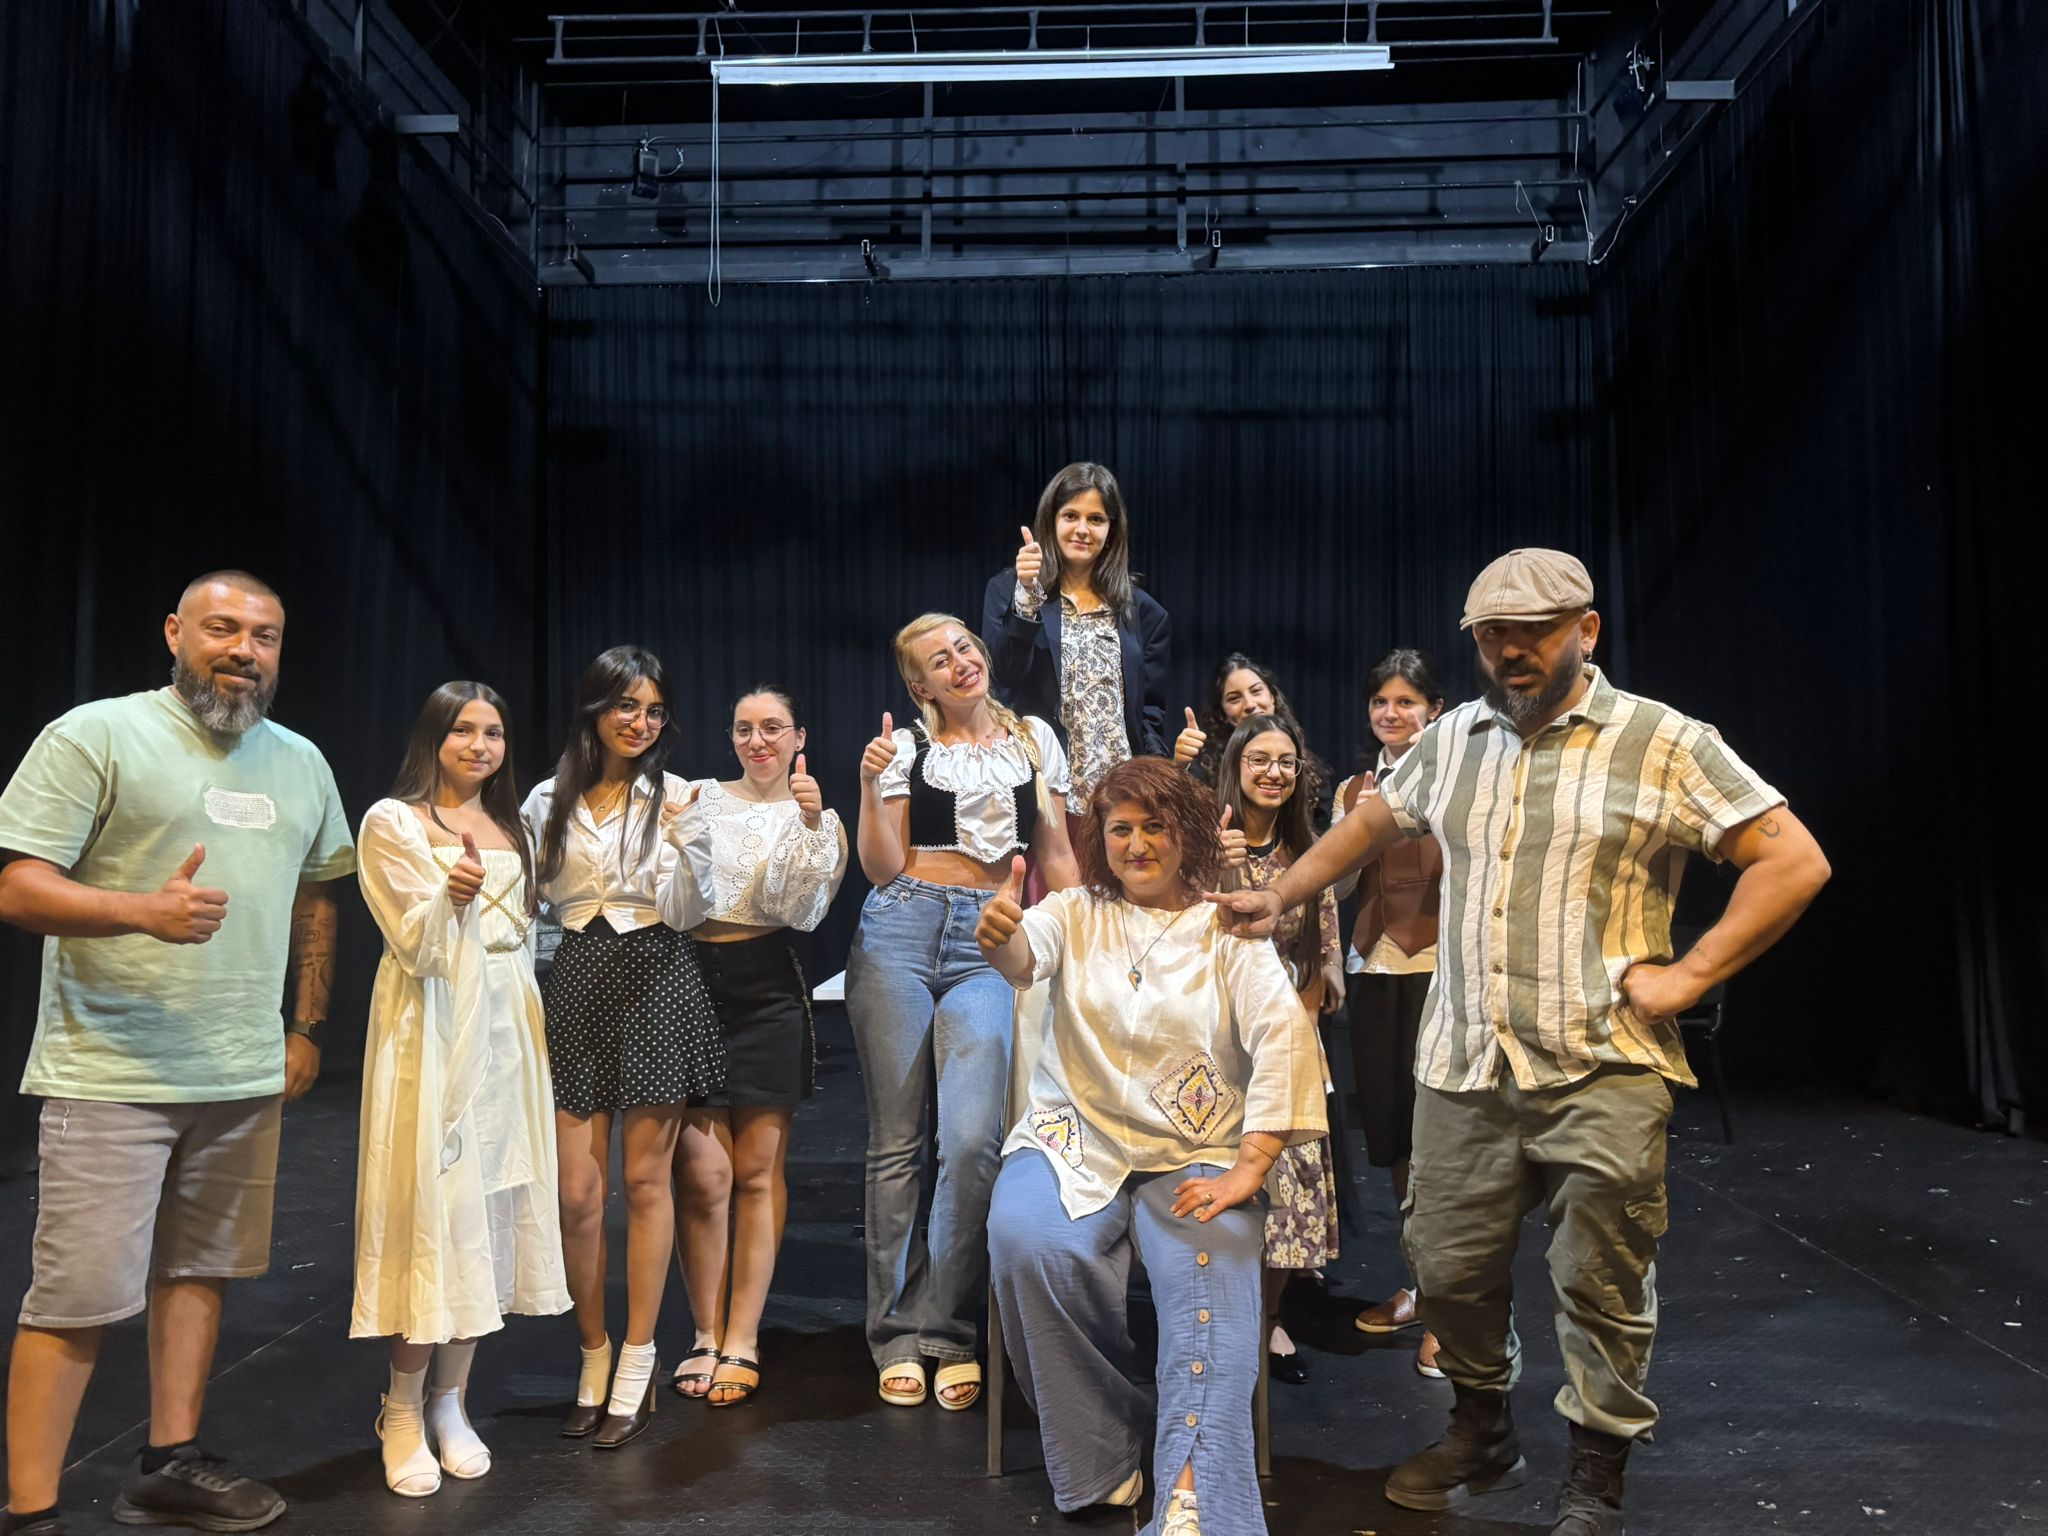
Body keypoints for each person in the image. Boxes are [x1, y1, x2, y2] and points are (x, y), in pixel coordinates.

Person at [1210, 550, 1832, 1535]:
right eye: (1493, 634)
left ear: (1586, 630)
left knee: (1599, 1282)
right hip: (1464, 1064)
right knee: (1444, 1267)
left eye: (1533, 631)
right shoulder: (1452, 738)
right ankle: (1480, 1429)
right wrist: (1283, 891)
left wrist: (1688, 976)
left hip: (1602, 1062)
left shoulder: (1660, 740)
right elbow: (1372, 823)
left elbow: (1791, 859)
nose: (1510, 650)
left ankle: (1595, 1476)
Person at [0, 571, 353, 1536]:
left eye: (264, 636)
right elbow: (18, 886)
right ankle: (30, 1510)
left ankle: (169, 1463)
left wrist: (305, 1025)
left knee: (200, 1270)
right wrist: (139, 912)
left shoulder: (301, 761)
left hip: (239, 1072)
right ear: (174, 633)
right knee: (75, 1297)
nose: (244, 650)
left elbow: (319, 892)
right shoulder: (97, 733)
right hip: (112, 1070)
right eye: (222, 628)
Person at [978, 757, 1327, 1536]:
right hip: (1075, 1137)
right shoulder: (1072, 911)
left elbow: (1283, 1034)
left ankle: (1191, 1495)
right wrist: (1000, 938)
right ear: (1101, 840)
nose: (1137, 844)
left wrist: (1252, 1163)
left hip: (1198, 1149)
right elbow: (1024, 956)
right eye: (1120, 829)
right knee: (1027, 1240)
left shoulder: (1227, 927)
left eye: (1155, 827)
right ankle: (1103, 1451)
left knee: (1210, 1277)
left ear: (1188, 834)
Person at [846, 613, 1080, 1411]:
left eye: (965, 648)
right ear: (921, 684)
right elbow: (881, 867)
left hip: (989, 938)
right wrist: (869, 787)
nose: (960, 662)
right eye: (938, 660)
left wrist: (1087, 934)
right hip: (902, 929)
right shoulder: (907, 748)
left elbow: (1056, 855)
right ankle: (895, 1334)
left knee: (975, 1140)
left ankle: (948, 1329)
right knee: (897, 1143)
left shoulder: (1033, 742)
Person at [352, 682, 571, 1496]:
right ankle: (401, 1407)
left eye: (494, 732)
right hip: (435, 1024)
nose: (481, 745)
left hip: (508, 1023)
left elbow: (528, 931)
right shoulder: (393, 820)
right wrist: (448, 900)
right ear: (433, 737)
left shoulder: (514, 826)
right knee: (433, 1209)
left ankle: (451, 1401)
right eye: (463, 731)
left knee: (488, 1208)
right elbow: (411, 939)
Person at [521, 645, 725, 1449]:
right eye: (626, 706)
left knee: (645, 1181)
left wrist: (687, 844)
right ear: (595, 709)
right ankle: (593, 1351)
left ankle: (639, 1358)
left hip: (658, 972)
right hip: (577, 975)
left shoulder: (679, 797)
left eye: (653, 711)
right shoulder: (547, 799)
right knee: (577, 1194)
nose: (640, 723)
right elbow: (529, 900)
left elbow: (689, 911)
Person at [667, 687, 848, 1408]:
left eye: (773, 727)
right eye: (744, 728)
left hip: (767, 987)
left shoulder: (818, 816)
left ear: (798, 736)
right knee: (703, 1175)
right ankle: (703, 1332)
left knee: (757, 1170)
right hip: (691, 982)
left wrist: (808, 824)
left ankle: (742, 1336)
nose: (758, 740)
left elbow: (803, 913)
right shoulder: (697, 797)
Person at [1213, 715, 1342, 1387]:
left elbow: (1321, 961)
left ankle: (1266, 1319)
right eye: (1259, 759)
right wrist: (1221, 861)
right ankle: (1218, 1319)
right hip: (1217, 1038)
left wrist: (1304, 1044)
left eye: (1287, 761)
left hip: (1286, 1036)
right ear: (1235, 765)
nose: (1274, 772)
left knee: (1291, 1192)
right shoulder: (1204, 842)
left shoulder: (1307, 854)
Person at [1331, 650, 1448, 1378]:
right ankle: (1420, 1285)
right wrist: (1358, 825)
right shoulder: (1355, 789)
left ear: (1434, 710)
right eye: (1382, 701)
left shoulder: (1458, 776)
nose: (1392, 713)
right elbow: (1338, 886)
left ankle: (1453, 1308)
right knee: (1397, 1145)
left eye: (1407, 702)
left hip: (1442, 973)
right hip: (1374, 969)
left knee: (1442, 1146)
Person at [981, 462, 1172, 804]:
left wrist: (1158, 780)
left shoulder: (1146, 613)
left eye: (1096, 519)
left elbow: (1149, 717)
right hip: (1044, 791)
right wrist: (1026, 596)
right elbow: (1001, 677)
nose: (1083, 529)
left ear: (1111, 529)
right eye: (1071, 516)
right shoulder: (1009, 588)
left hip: (1120, 799)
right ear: (1051, 521)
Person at [1173, 653, 1335, 833]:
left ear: (1273, 697)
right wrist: (1180, 767)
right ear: (1222, 712)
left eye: (1256, 691)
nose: (1249, 704)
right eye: (1234, 698)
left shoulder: (1311, 772)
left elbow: (1322, 837)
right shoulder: (1205, 770)